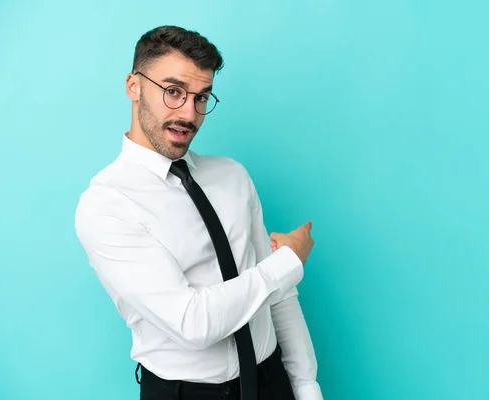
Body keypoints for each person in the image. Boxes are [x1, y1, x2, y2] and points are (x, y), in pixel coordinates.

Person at [74, 25, 322, 400]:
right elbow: (192, 323)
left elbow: (279, 295)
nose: (189, 113)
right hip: (185, 394)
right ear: (133, 86)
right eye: (173, 92)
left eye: (201, 97)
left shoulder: (232, 176)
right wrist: (287, 261)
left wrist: (305, 387)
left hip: (271, 380)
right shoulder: (107, 205)